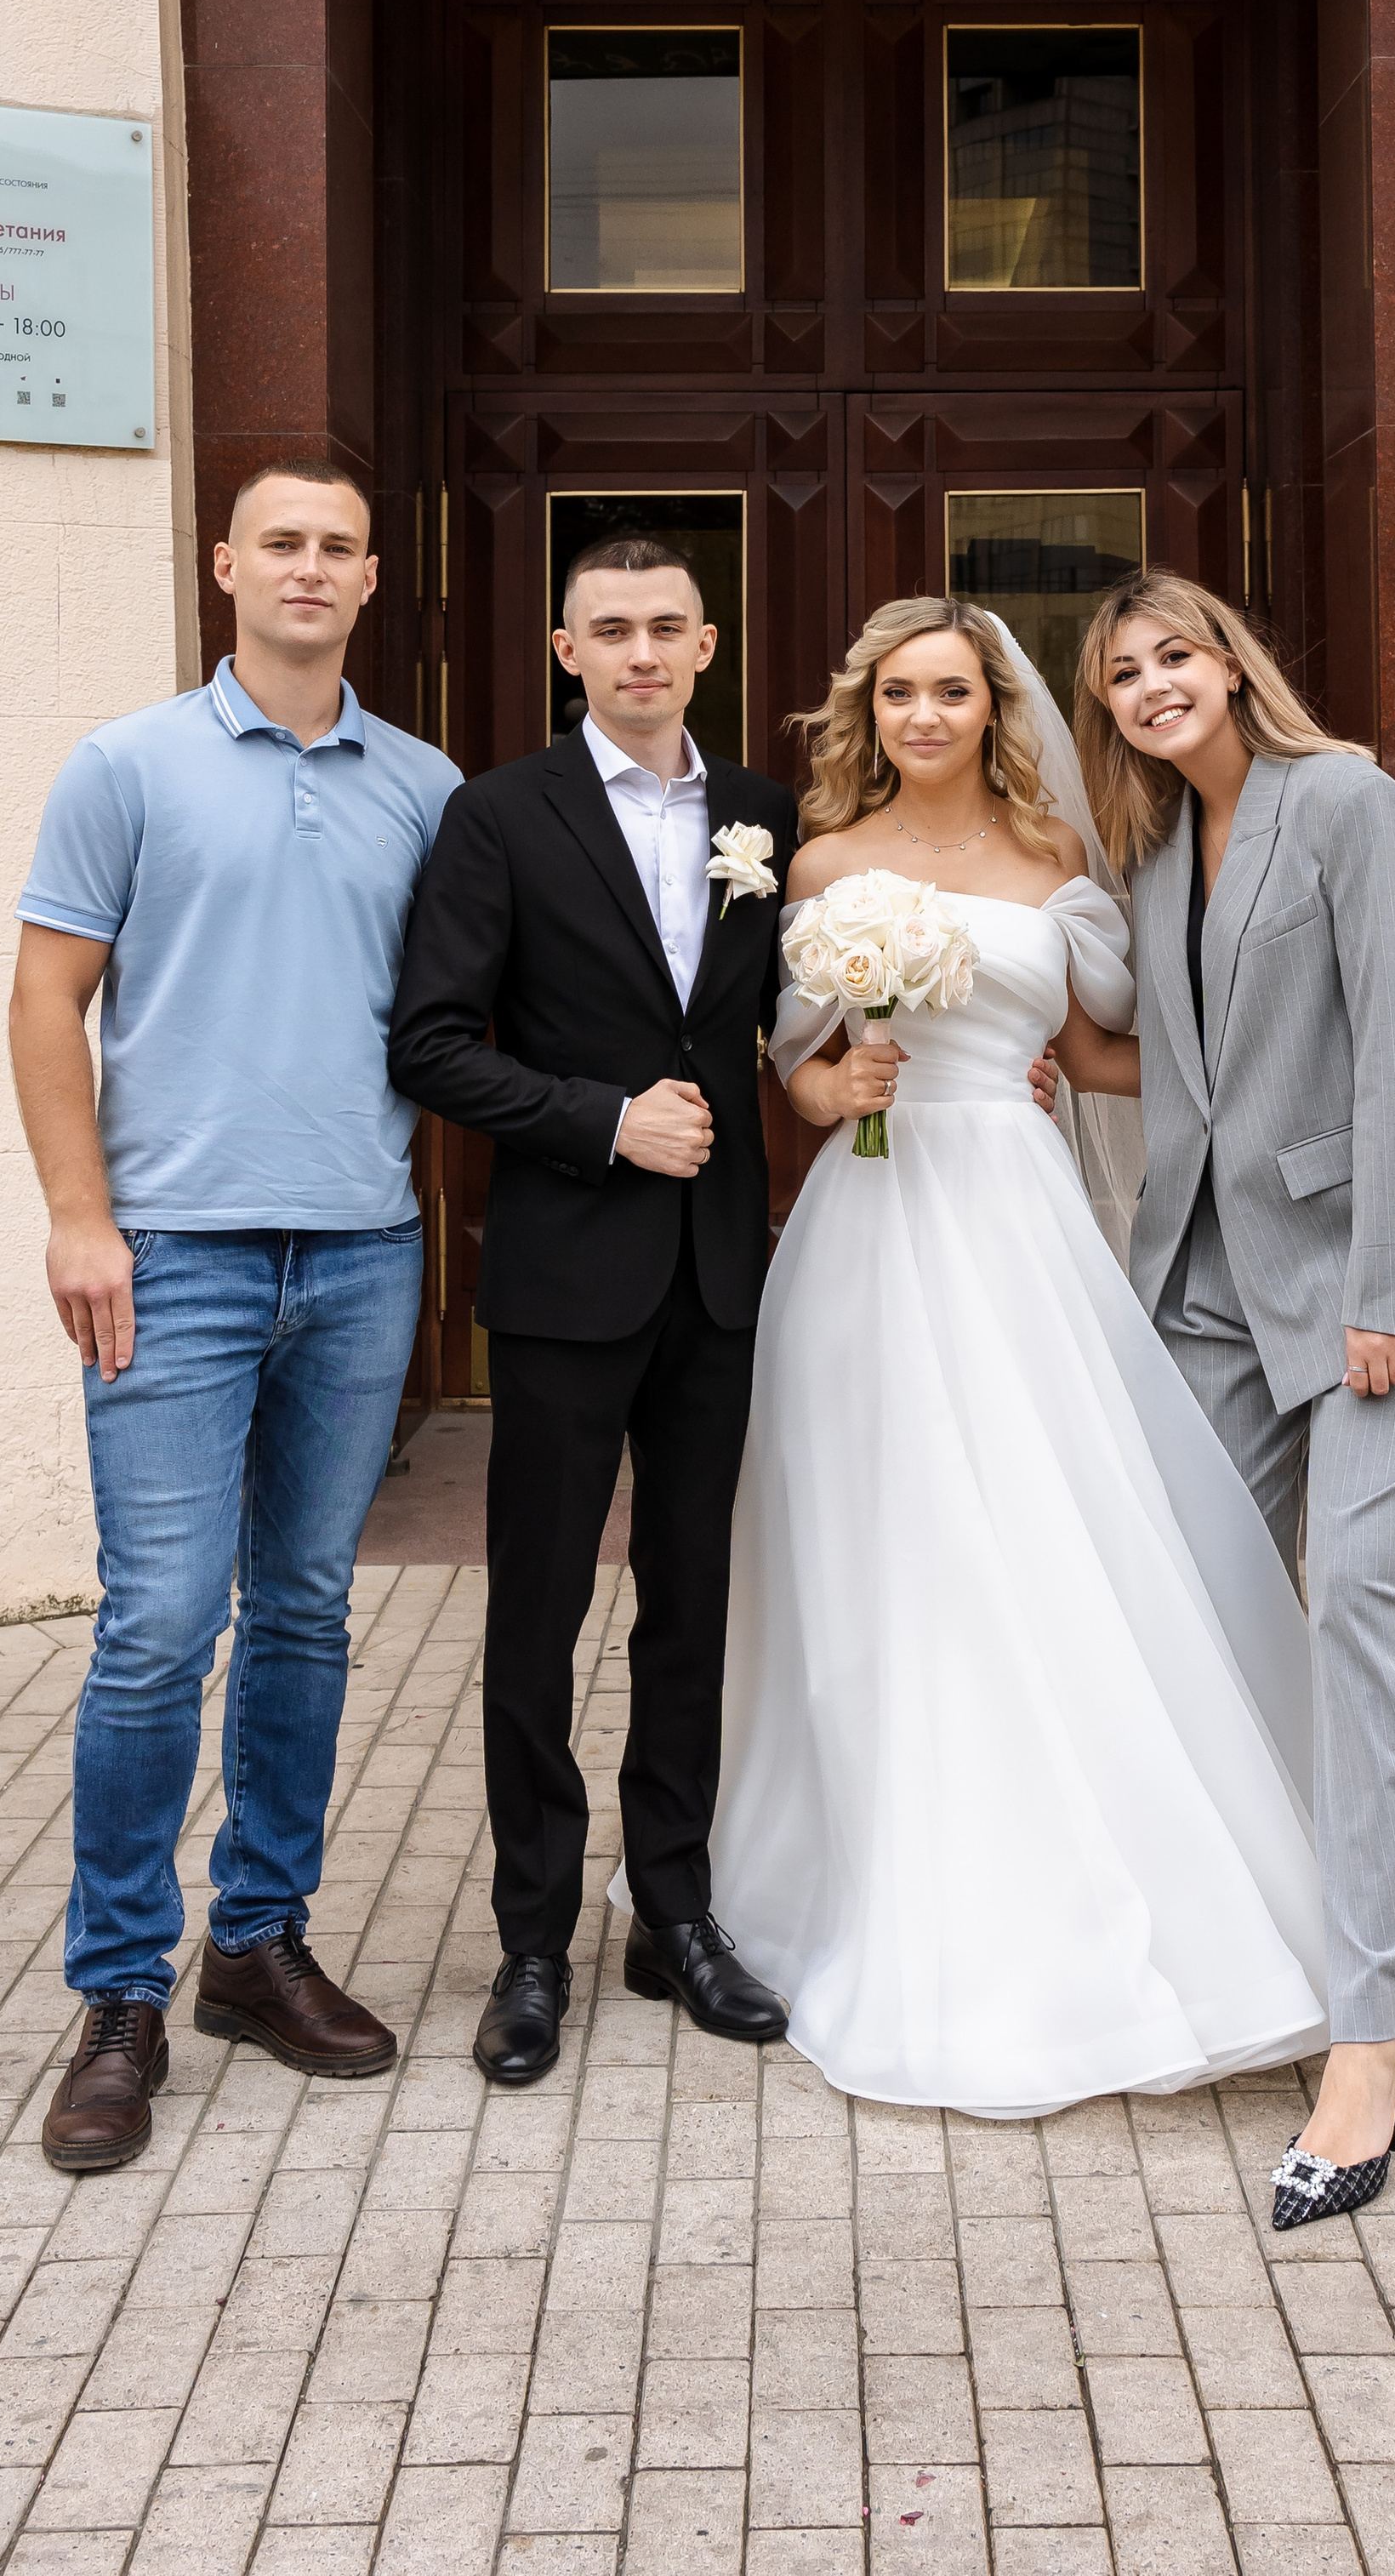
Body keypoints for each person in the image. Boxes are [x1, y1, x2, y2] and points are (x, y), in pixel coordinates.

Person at [708, 596, 1395, 2123]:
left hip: (1016, 1220)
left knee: (1044, 1537)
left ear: (994, 706)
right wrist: (840, 1087)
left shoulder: (1069, 868)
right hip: (865, 1240)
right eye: (897, 692)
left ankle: (1126, 1865)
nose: (924, 715)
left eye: (951, 690)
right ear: (869, 710)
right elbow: (791, 1060)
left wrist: (1307, 1098)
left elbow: (1134, 1047)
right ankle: (879, 1862)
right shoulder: (825, 868)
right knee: (883, 1553)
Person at [10, 461, 459, 2172]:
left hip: (358, 1252)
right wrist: (79, 1215)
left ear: (369, 578)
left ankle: (254, 1948)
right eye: (282, 540)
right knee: (155, 1627)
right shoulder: (128, 765)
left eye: (340, 545)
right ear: (225, 564)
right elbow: (48, 996)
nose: (310, 566)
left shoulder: (424, 785)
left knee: (304, 1615)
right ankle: (118, 1992)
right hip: (173, 1259)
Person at [1073, 568, 1395, 2226]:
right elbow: (1191, 1082)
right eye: (1120, 672)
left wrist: (1387, 1297)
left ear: (1230, 662)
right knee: (1174, 1605)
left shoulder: (1348, 803)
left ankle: (1366, 2038)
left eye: (1171, 652)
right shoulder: (1161, 852)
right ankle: (1235, 1930)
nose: (1149, 685)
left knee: (1368, 1625)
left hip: (1384, 1297)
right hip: (1219, 1290)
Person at [389, 536, 799, 2088]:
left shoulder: (762, 815)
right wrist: (600, 1119)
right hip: (567, 1274)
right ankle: (534, 1941)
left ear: (709, 645)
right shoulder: (497, 816)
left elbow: (781, 1026)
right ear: (567, 650)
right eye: (610, 629)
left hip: (716, 1274)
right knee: (540, 1619)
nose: (641, 652)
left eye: (667, 628)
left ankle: (674, 1914)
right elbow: (429, 1043)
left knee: (694, 1607)